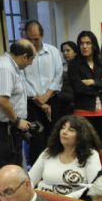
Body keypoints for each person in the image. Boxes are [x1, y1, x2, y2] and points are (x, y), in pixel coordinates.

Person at [0, 39, 36, 177]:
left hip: (6, 125)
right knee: (7, 168)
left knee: (14, 164)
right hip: (1, 126)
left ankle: (15, 195)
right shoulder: (5, 68)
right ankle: (7, 197)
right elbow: (2, 101)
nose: (31, 63)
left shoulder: (10, 66)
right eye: (31, 59)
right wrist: (17, 121)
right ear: (24, 56)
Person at [28, 114, 102, 197]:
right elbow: (30, 180)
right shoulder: (48, 152)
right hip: (44, 199)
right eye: (62, 128)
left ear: (82, 136)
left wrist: (67, 200)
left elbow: (94, 186)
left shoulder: (91, 155)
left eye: (71, 130)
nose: (64, 132)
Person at [22, 20, 64, 165]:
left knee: (55, 135)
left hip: (52, 99)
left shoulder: (53, 51)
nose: (32, 42)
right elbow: (22, 79)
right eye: (29, 39)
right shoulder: (22, 54)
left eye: (36, 39)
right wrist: (39, 102)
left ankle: (56, 166)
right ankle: (37, 173)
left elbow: (58, 74)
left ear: (42, 35)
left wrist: (46, 97)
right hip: (32, 103)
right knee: (37, 139)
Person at [69, 31, 102, 147]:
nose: (84, 46)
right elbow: (78, 88)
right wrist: (100, 88)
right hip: (84, 111)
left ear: (93, 45)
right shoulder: (74, 64)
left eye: (88, 43)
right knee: (84, 144)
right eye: (81, 43)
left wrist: (93, 82)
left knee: (100, 143)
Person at [50, 41, 78, 124]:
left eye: (68, 50)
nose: (65, 53)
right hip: (61, 102)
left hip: (75, 102)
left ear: (75, 52)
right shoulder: (61, 66)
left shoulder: (80, 66)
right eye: (63, 51)